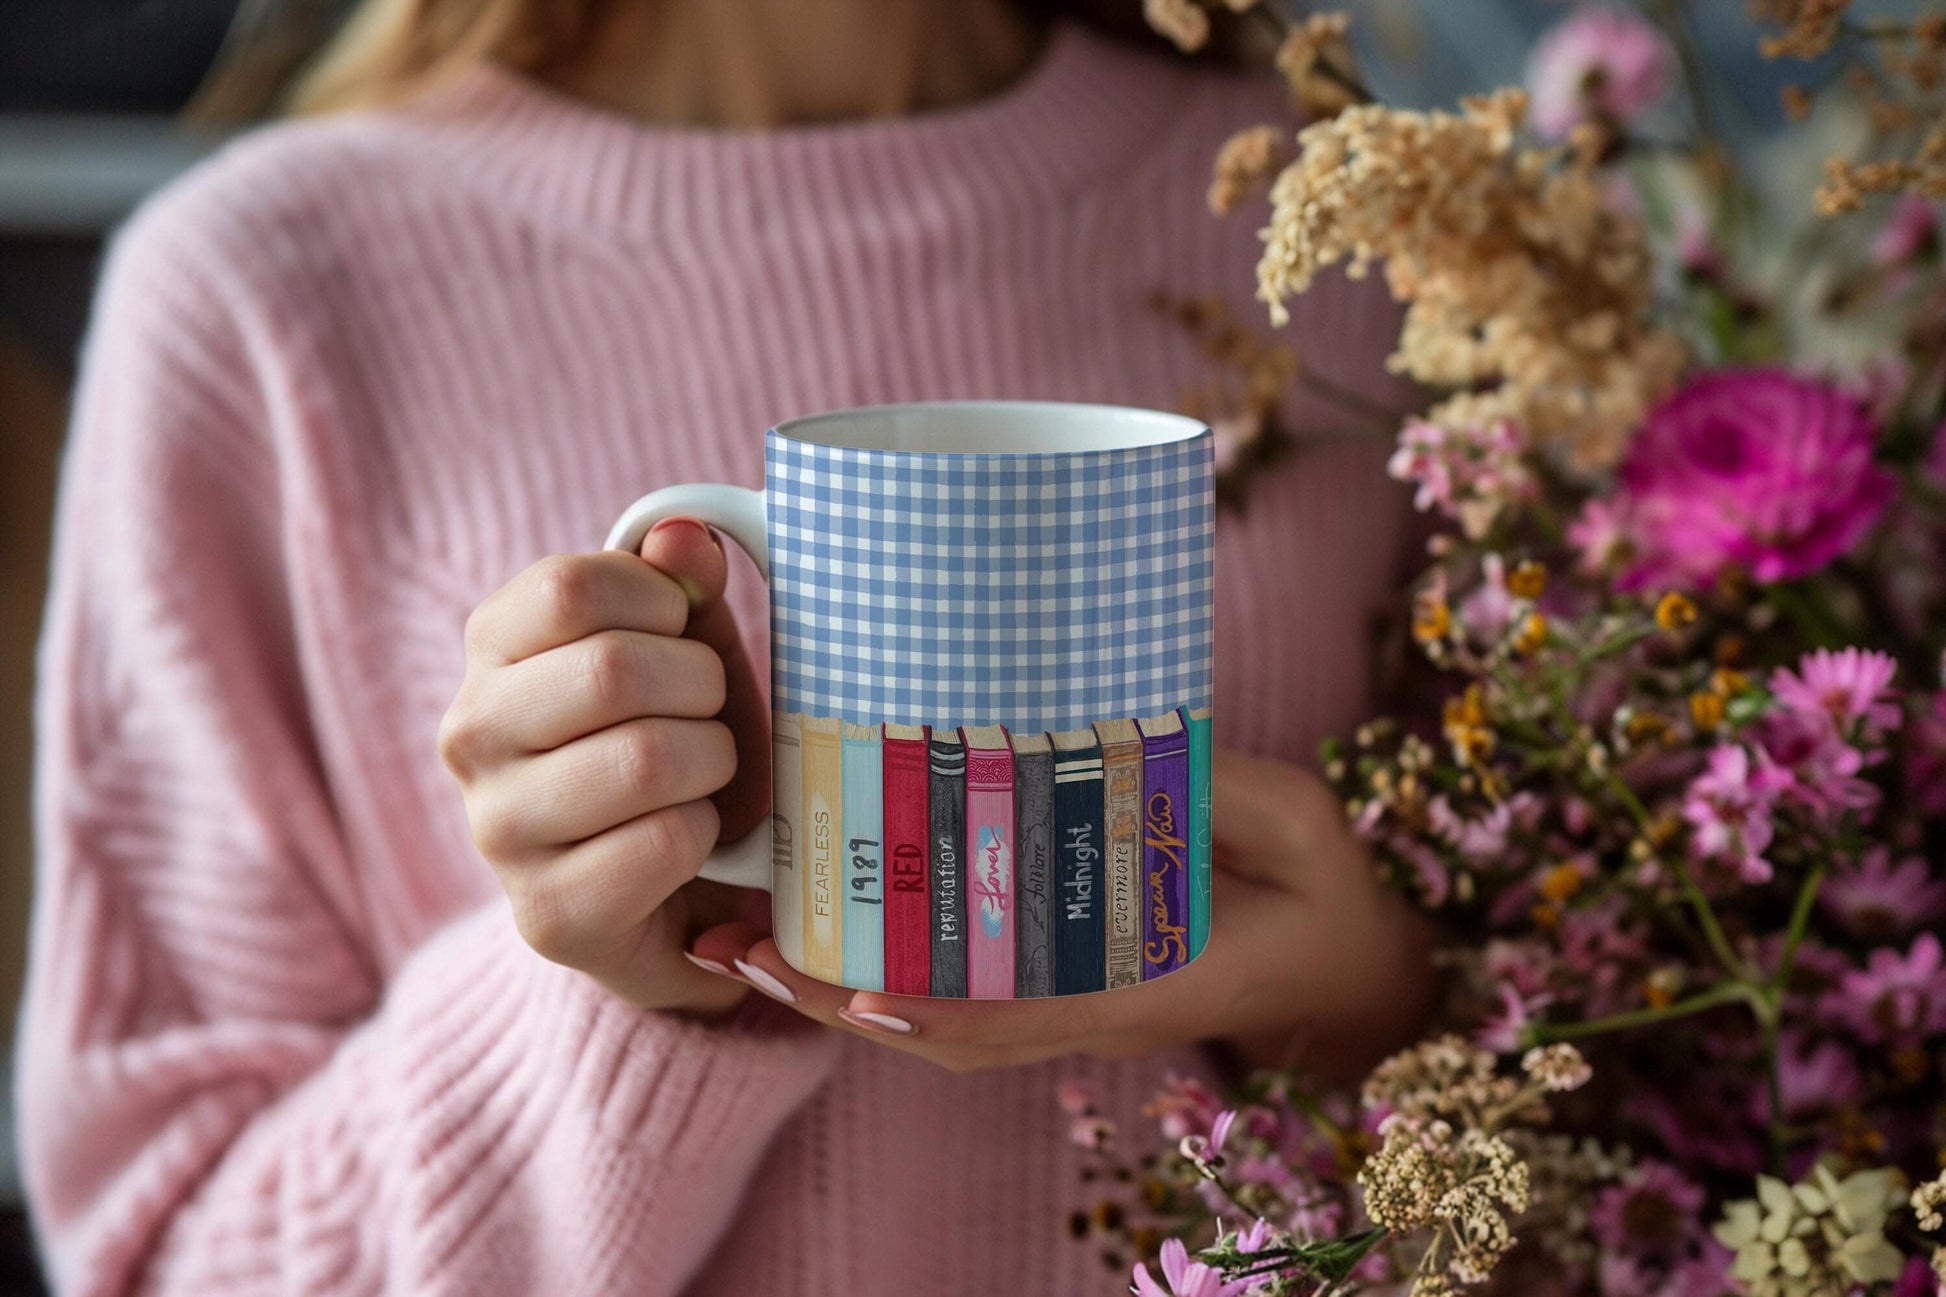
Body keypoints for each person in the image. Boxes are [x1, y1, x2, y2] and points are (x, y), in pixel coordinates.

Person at [18, 0, 1434, 1291]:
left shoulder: (1353, 218)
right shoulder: (265, 295)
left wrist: (1362, 1013)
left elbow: (1635, 1150)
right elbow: (161, 1252)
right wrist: (614, 990)